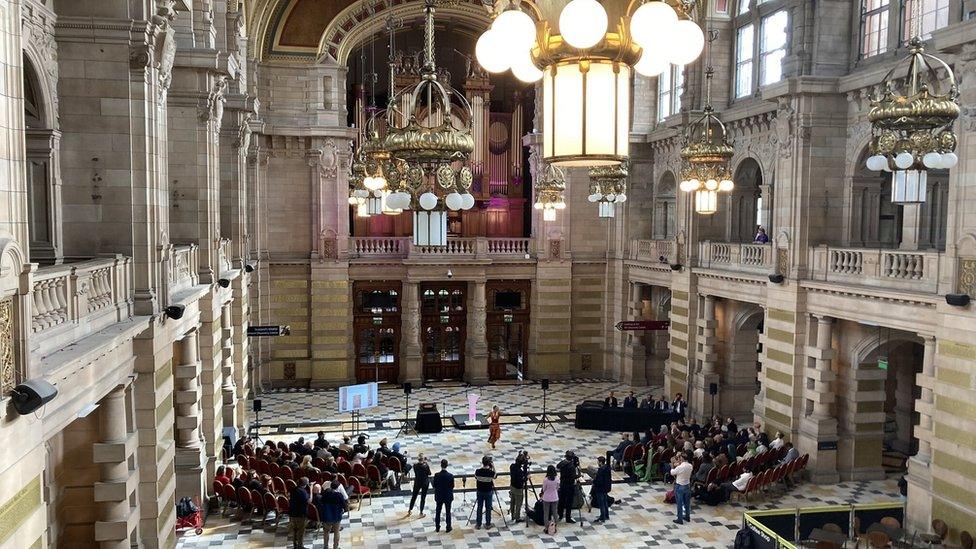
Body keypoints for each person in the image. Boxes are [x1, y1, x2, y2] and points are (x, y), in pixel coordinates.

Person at [316, 481, 347, 549]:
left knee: (326, 532)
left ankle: (325, 547)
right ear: (338, 487)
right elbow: (344, 505)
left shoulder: (325, 494)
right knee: (336, 532)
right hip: (336, 516)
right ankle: (335, 547)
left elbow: (321, 503)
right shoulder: (339, 495)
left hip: (326, 516)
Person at [557, 451, 580, 524]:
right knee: (569, 502)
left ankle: (560, 515)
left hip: (563, 484)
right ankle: (568, 517)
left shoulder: (563, 463)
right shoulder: (571, 466)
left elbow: (558, 466)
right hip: (570, 485)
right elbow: (573, 476)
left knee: (562, 500)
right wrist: (579, 475)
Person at [474, 455, 497, 529]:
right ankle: (488, 524)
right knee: (488, 508)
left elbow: (475, 476)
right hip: (488, 492)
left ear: (482, 463)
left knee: (479, 508)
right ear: (489, 463)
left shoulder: (478, 471)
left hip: (480, 492)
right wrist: (493, 467)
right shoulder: (490, 473)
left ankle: (478, 524)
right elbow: (495, 475)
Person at [432, 459, 454, 533]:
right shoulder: (450, 476)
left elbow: (434, 485)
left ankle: (437, 527)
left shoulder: (436, 475)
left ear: (441, 465)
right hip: (447, 496)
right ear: (447, 465)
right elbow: (452, 486)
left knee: (438, 511)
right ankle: (448, 527)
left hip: (439, 495)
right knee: (448, 512)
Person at [670, 453, 693, 524]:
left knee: (679, 503)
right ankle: (687, 516)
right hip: (687, 485)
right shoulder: (690, 466)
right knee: (687, 502)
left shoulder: (680, 467)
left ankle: (680, 519)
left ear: (682, 459)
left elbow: (672, 473)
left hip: (680, 486)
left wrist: (672, 466)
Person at [288, 477, 311, 549]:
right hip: (300, 514)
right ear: (305, 484)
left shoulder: (293, 489)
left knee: (295, 530)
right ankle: (300, 546)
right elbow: (309, 501)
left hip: (293, 513)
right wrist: (311, 488)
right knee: (301, 531)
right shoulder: (302, 491)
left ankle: (295, 545)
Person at [591, 456, 612, 522]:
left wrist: (594, 481)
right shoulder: (607, 468)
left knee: (601, 503)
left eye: (598, 461)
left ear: (600, 462)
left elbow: (599, 481)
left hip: (600, 488)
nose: (597, 463)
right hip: (606, 487)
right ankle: (606, 515)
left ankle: (602, 516)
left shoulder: (601, 470)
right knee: (605, 502)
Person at [509, 451, 528, 522]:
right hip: (518, 489)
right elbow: (523, 480)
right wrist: (526, 475)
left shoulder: (512, 466)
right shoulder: (520, 471)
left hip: (512, 486)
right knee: (518, 503)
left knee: (512, 501)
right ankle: (517, 517)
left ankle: (512, 515)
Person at [540, 465, 560, 532]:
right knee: (555, 512)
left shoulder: (546, 480)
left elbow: (544, 489)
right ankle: (555, 527)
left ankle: (546, 528)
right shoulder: (557, 479)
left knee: (546, 513)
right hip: (555, 497)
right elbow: (557, 488)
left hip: (546, 498)